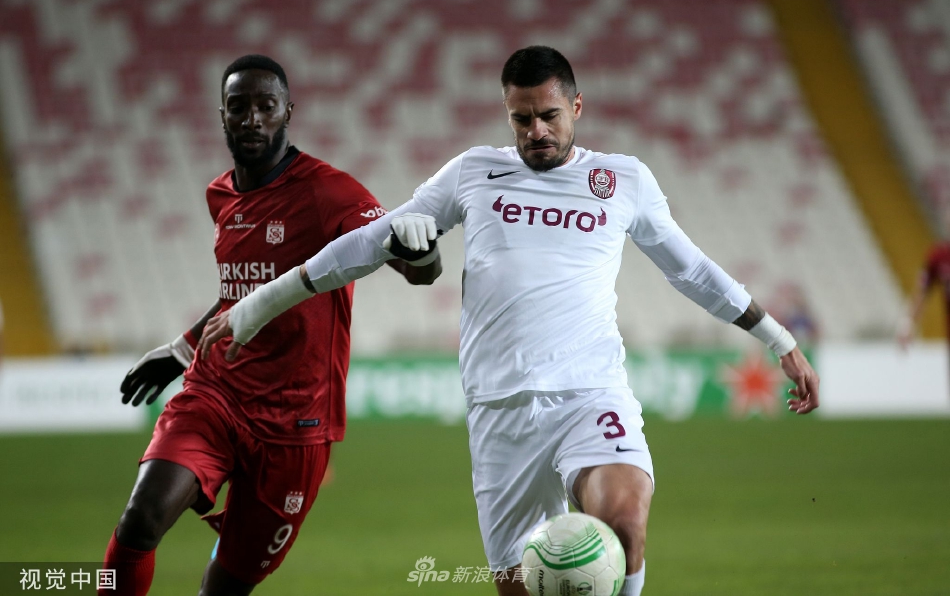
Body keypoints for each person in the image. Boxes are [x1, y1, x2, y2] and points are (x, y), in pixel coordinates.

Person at [199, 46, 820, 596]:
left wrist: (779, 339)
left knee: (624, 524)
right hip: (500, 413)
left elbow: (692, 271)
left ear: (577, 106)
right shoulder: (474, 171)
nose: (536, 131)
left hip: (589, 393)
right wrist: (257, 304)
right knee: (524, 587)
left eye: (549, 115)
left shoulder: (621, 180)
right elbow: (364, 245)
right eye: (521, 119)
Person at [99, 54, 440, 596]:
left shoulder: (331, 194)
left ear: (288, 112)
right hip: (215, 395)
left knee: (224, 589)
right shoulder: (220, 196)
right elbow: (237, 295)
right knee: (140, 520)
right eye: (239, 107)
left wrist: (423, 251)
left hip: (295, 426)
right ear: (223, 115)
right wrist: (182, 350)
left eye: (266, 106)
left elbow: (415, 269)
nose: (252, 118)